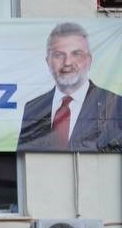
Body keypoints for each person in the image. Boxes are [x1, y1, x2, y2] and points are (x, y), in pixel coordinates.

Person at [17, 22, 122, 152]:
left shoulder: (115, 105)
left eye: (76, 54)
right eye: (58, 55)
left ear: (89, 60)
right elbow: (25, 158)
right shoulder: (32, 109)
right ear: (48, 61)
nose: (67, 62)